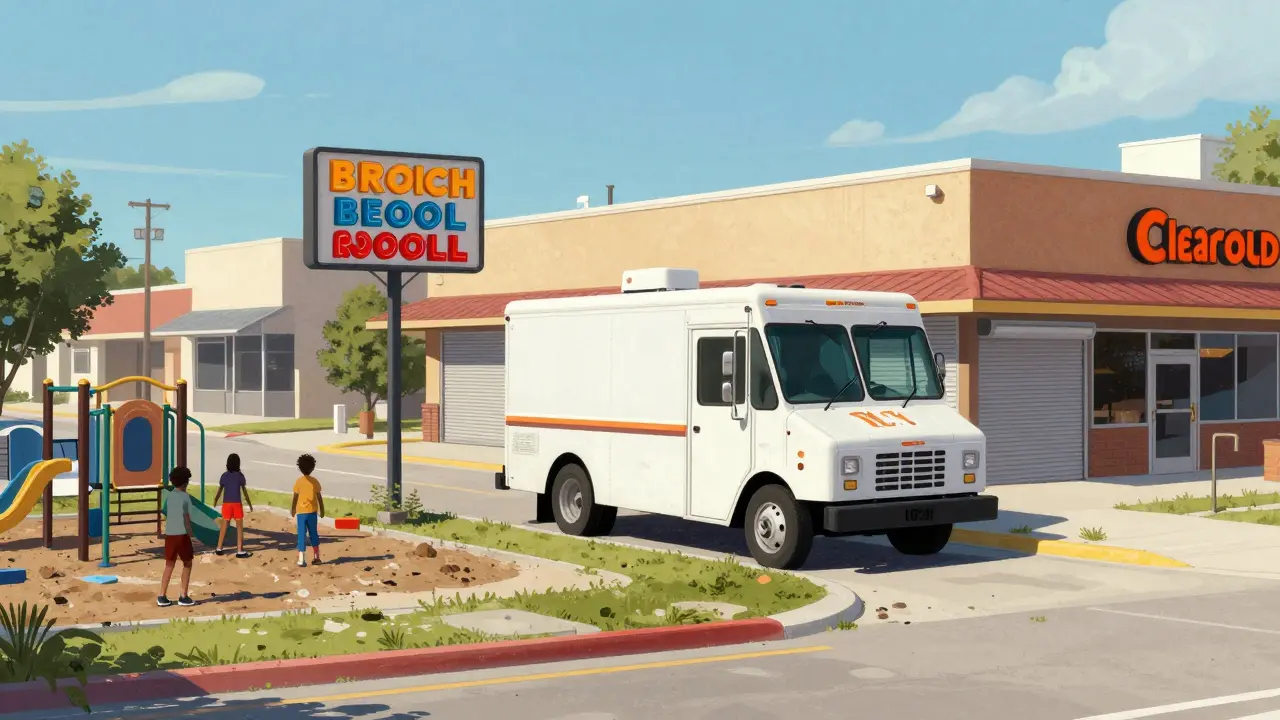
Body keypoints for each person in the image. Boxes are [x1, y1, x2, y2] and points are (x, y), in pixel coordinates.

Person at [158, 466, 197, 607]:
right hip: (182, 535)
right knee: (187, 563)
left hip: (170, 535)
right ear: (185, 482)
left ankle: (162, 595)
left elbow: (166, 512)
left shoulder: (169, 496)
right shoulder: (186, 497)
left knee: (169, 564)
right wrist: (192, 535)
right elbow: (187, 519)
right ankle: (183, 595)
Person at [213, 453, 254, 558]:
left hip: (226, 504)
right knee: (239, 527)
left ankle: (219, 548)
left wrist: (215, 499)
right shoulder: (240, 476)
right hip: (236, 503)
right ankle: (240, 550)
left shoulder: (224, 476)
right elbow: (244, 492)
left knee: (224, 526)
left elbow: (220, 490)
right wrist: (249, 504)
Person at [290, 453, 325, 567]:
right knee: (313, 533)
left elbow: (295, 497)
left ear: (299, 467)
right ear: (313, 467)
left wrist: (293, 509)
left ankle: (301, 558)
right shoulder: (315, 481)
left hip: (301, 513)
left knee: (301, 534)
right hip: (312, 512)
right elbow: (319, 497)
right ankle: (316, 556)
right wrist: (322, 509)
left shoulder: (299, 481)